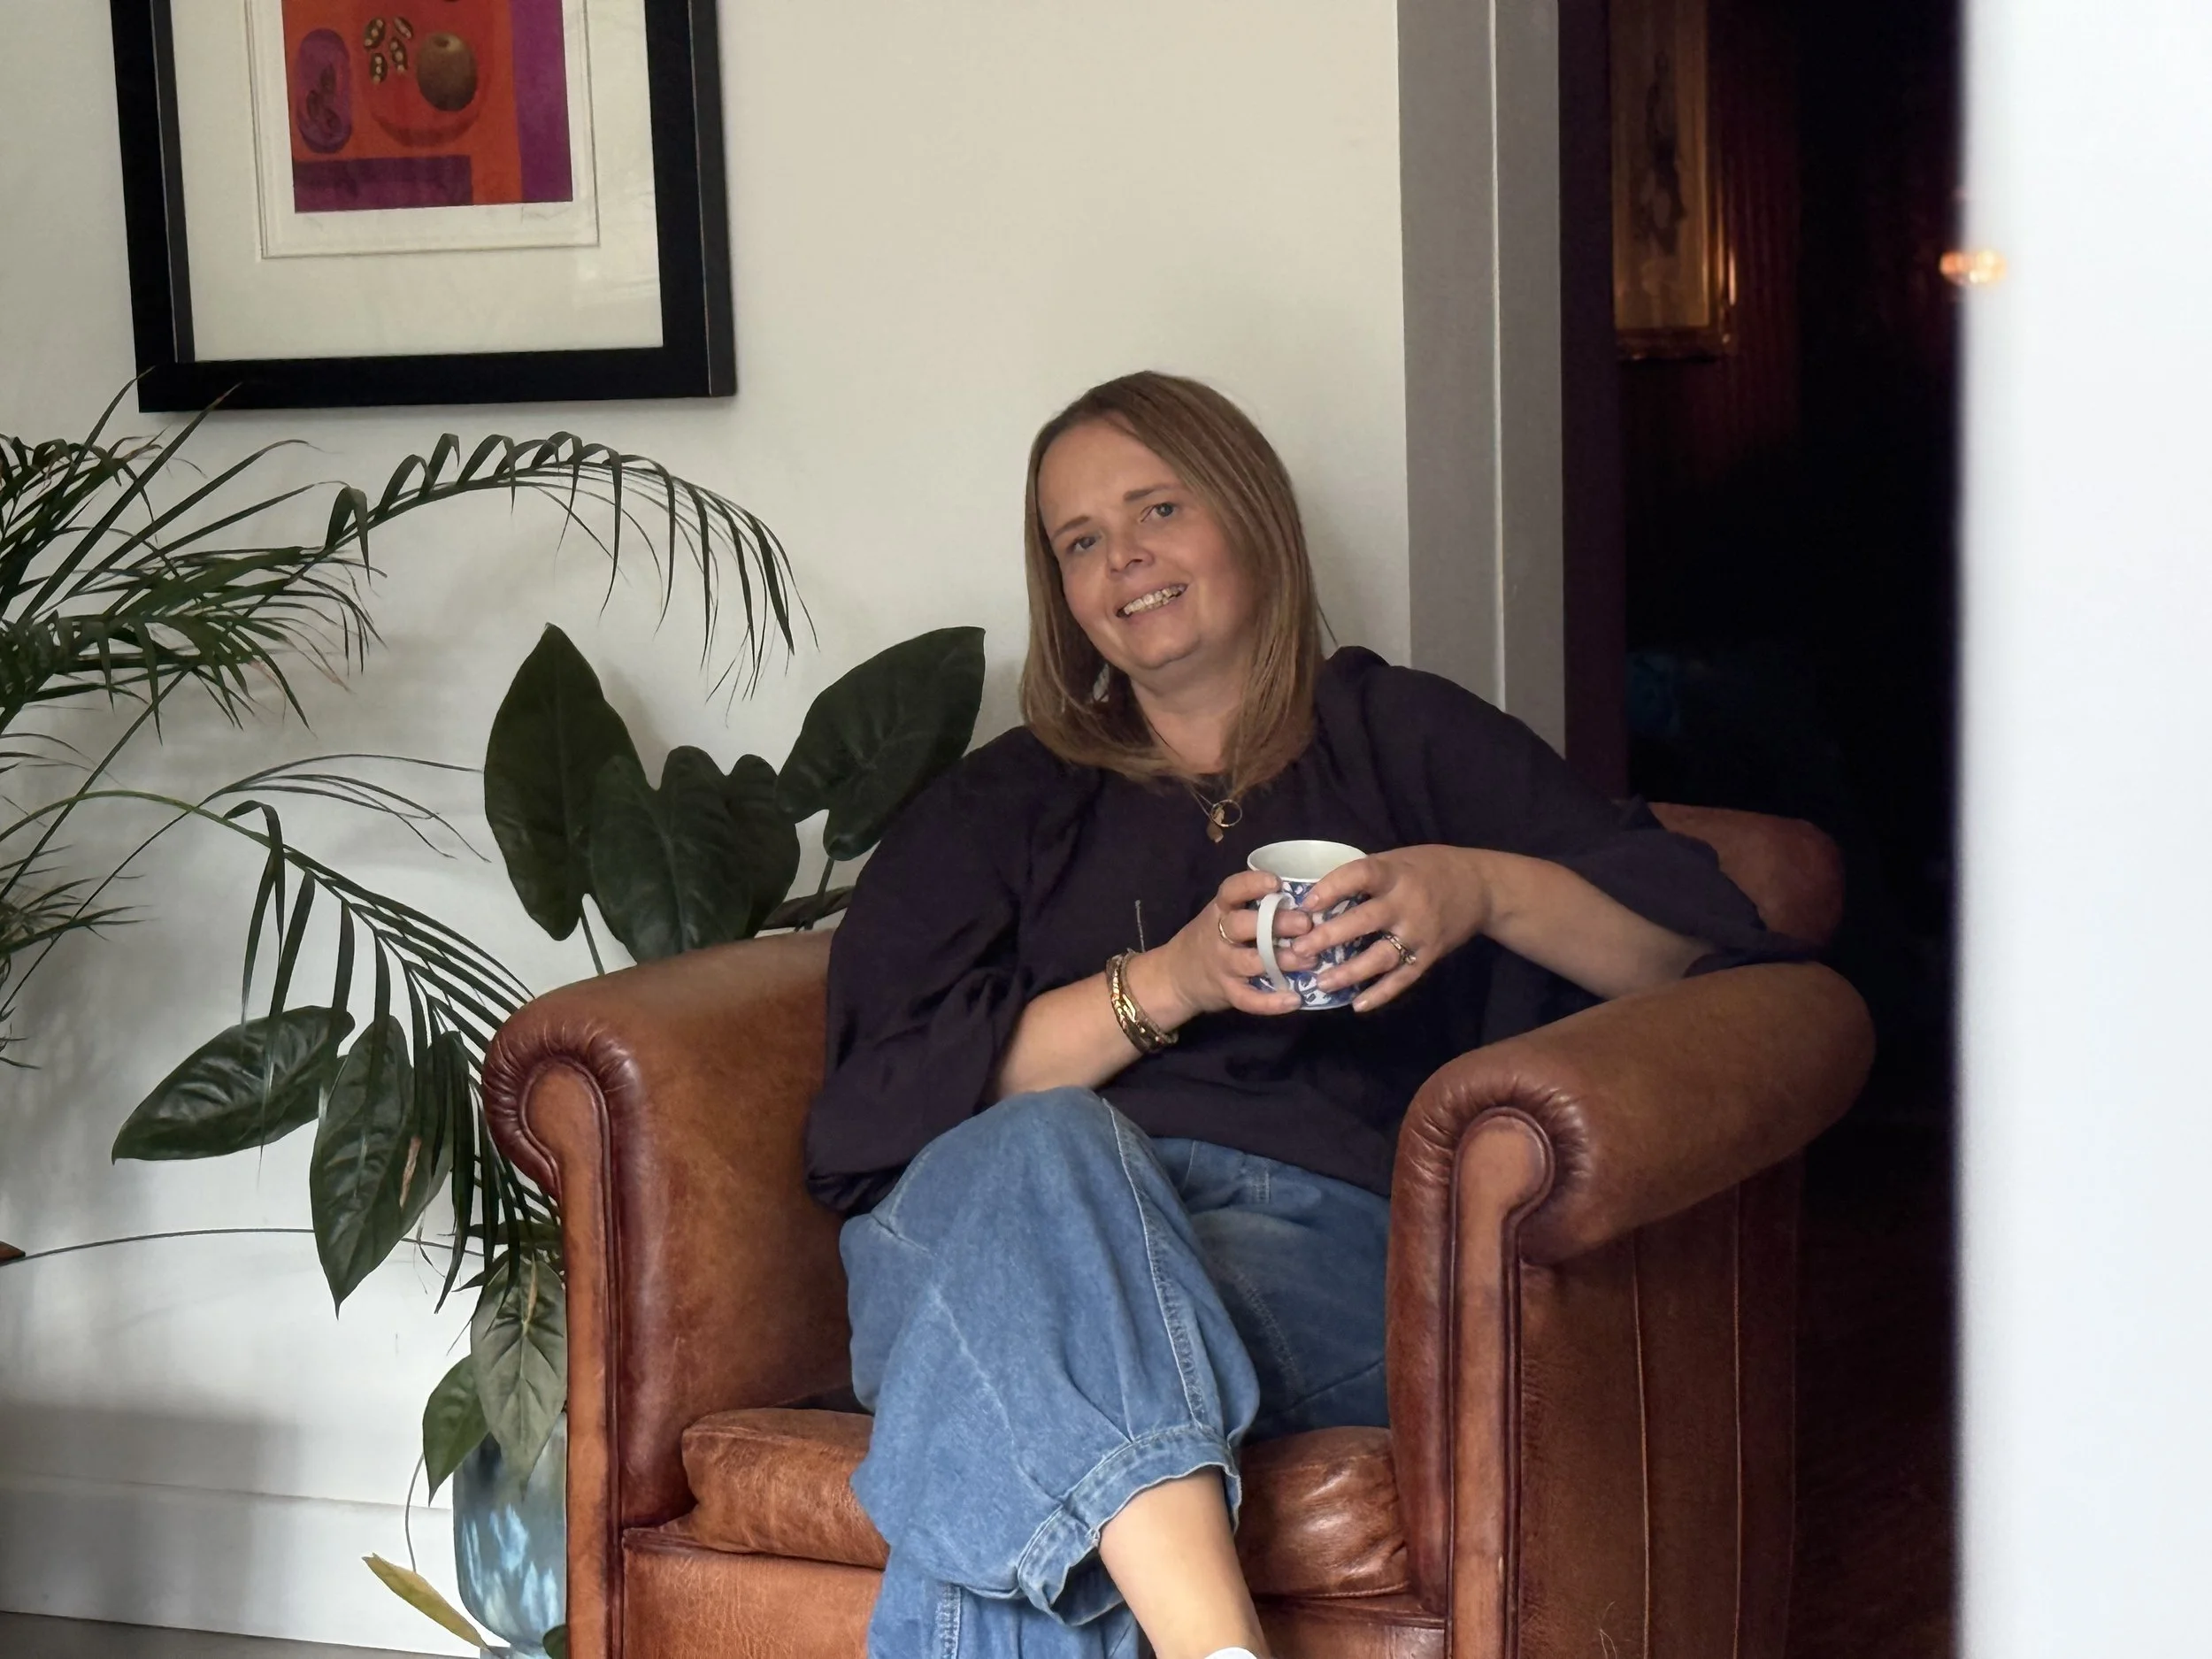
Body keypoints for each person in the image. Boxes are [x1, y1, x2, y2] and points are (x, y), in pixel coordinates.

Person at [803, 372, 1801, 1659]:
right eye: (1080, 542)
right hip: (992, 1224)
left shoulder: (1402, 735)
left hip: (1313, 1259)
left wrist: (1482, 887)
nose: (1124, 558)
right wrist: (1169, 983)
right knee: (1039, 1158)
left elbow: (1703, 955)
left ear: (1251, 515)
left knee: (1007, 1369)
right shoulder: (1002, 805)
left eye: (1159, 508)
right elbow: (872, 1113)